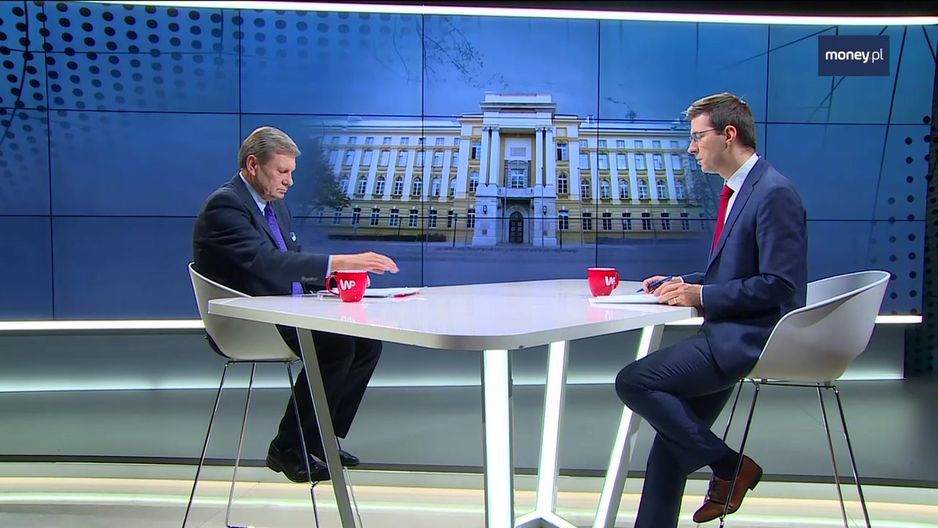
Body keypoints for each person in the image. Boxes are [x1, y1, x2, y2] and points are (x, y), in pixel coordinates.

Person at [615, 93, 807, 526]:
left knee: (633, 381)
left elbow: (779, 285)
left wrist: (701, 296)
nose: (691, 148)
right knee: (671, 446)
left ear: (729, 135)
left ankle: (730, 466)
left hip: (751, 336)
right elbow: (738, 271)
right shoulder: (741, 190)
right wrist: (683, 283)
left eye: (698, 137)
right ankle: (724, 472)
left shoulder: (774, 192)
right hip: (731, 330)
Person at [193, 126, 399, 483]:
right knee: (336, 346)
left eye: (291, 172)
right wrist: (341, 261)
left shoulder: (274, 205)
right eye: (282, 171)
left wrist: (335, 281)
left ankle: (318, 440)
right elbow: (266, 262)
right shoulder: (225, 206)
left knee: (366, 343)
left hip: (278, 310)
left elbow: (292, 257)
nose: (289, 181)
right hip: (245, 320)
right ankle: (288, 446)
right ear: (253, 165)